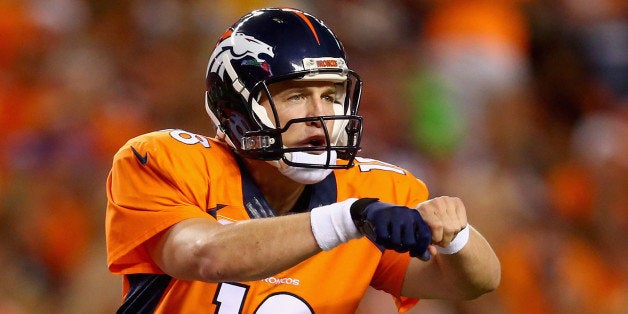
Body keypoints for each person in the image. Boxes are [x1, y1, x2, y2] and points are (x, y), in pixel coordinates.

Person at [105, 7, 500, 313]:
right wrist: (348, 219)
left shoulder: (376, 188)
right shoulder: (168, 160)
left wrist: (455, 237)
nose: (320, 115)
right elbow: (204, 254)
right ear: (236, 106)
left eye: (331, 96)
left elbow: (474, 283)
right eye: (295, 95)